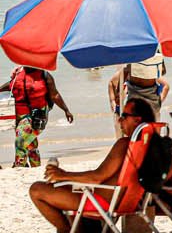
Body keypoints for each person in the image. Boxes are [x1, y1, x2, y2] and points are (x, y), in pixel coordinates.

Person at [28, 97, 156, 232]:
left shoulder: (125, 144)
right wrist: (64, 177)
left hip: (100, 202)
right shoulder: (146, 146)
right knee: (64, 187)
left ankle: (67, 230)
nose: (119, 120)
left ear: (137, 119)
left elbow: (97, 177)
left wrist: (62, 174)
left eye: (124, 116)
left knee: (37, 190)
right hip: (125, 201)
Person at [2, 65, 72, 168]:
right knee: (30, 144)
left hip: (37, 116)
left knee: (20, 141)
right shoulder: (18, 73)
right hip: (19, 117)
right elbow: (11, 85)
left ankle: (19, 166)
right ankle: (36, 167)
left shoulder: (45, 76)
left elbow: (54, 95)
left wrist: (66, 110)